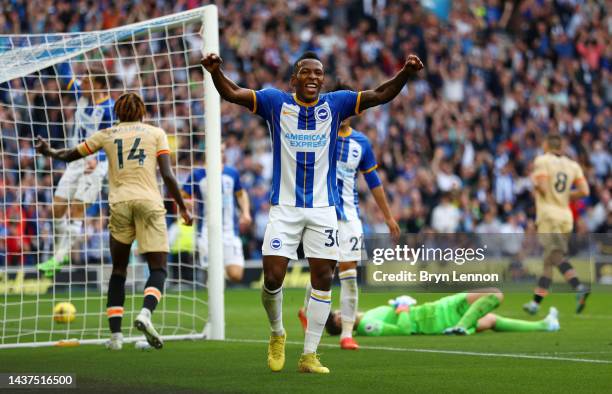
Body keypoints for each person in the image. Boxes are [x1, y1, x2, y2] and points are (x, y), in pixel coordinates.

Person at [201, 50, 423, 373]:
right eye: (307, 72)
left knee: (323, 278)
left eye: (319, 73)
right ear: (294, 79)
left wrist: (404, 72)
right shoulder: (276, 103)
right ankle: (277, 332)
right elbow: (233, 94)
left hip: (323, 209)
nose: (314, 78)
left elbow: (380, 94)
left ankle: (309, 354)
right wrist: (215, 72)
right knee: (273, 276)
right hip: (285, 207)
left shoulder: (336, 104)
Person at [35, 92, 193, 350]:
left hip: (119, 204)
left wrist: (48, 151)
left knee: (118, 270)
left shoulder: (107, 134)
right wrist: (183, 208)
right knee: (158, 268)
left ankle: (116, 337)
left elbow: (71, 155)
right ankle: (145, 313)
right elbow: (167, 174)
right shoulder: (156, 133)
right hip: (149, 203)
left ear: (117, 113)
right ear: (142, 112)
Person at [299, 82, 400, 350]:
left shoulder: (361, 143)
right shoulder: (321, 134)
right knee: (324, 270)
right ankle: (307, 308)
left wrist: (388, 217)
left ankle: (346, 333)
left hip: (351, 217)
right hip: (324, 213)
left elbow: (374, 182)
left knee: (349, 274)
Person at [37, 63, 115, 277]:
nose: (82, 84)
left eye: (87, 81)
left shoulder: (110, 108)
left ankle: (58, 258)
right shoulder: (80, 93)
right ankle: (60, 252)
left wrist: (98, 158)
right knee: (56, 210)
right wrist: (63, 49)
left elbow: (112, 140)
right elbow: (64, 73)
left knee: (76, 212)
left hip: (96, 165)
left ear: (98, 85)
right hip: (75, 159)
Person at [523, 133, 590, 315]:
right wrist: (566, 196)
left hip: (548, 215)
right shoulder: (572, 165)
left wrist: (534, 183)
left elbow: (544, 188)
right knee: (548, 261)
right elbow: (584, 191)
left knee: (554, 257)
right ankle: (535, 304)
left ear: (546, 145)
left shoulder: (542, 160)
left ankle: (579, 287)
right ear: (561, 147)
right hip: (565, 216)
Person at [322, 289, 560, 337]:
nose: (342, 313)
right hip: (436, 316)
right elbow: (404, 330)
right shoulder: (367, 327)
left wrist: (398, 305)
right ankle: (462, 327)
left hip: (435, 312)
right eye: (339, 318)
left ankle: (544, 325)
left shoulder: (368, 314)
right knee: (496, 295)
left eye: (338, 312)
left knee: (492, 319)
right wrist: (403, 307)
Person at [182, 149, 252, 283]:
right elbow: (183, 195)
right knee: (214, 274)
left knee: (236, 275)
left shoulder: (232, 173)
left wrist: (246, 212)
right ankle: (215, 290)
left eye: (222, 150)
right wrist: (187, 204)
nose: (221, 153)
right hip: (207, 231)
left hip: (230, 232)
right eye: (218, 150)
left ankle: (220, 276)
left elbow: (241, 194)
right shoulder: (197, 175)